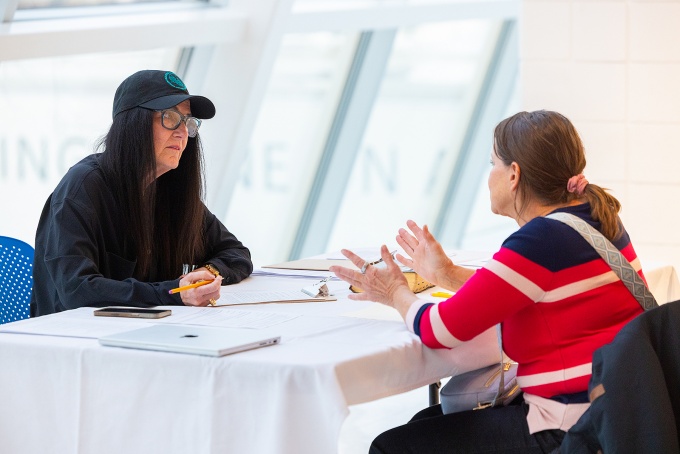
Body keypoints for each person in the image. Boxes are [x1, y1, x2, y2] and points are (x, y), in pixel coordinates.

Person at [330, 110, 648, 453]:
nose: (489, 176)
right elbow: (521, 289)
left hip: (570, 428)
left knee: (390, 446)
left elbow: (440, 331)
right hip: (615, 412)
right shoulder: (593, 217)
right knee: (422, 425)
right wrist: (445, 274)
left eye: (492, 163)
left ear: (514, 174)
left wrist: (394, 292)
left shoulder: (541, 240)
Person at [31, 70, 253, 316]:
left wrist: (207, 273)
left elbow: (236, 253)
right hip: (74, 338)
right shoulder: (83, 188)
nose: (182, 132)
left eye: (188, 122)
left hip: (147, 330)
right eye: (169, 117)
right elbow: (77, 289)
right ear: (132, 124)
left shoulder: (169, 187)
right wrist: (173, 292)